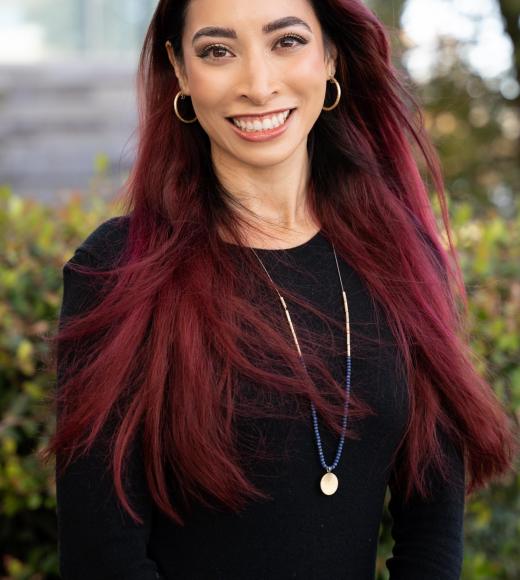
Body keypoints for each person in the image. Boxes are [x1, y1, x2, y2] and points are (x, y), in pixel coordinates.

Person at [42, 0, 517, 578]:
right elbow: (102, 559)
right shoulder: (118, 269)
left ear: (332, 55)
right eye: (218, 51)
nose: (258, 84)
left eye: (286, 41)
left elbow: (432, 537)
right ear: (182, 71)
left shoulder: (405, 259)